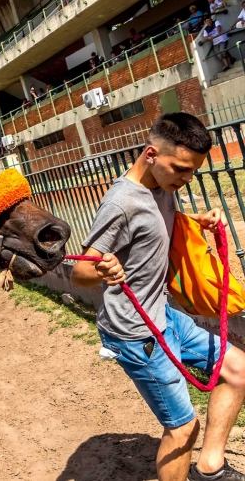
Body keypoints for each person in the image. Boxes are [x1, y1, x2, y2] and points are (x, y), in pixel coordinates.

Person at [71, 113, 245, 481]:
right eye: (180, 169)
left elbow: (156, 225)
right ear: (150, 153)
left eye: (192, 172)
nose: (186, 179)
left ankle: (210, 467)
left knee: (238, 370)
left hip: (166, 316)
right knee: (183, 428)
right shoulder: (121, 202)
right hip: (136, 333)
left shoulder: (162, 189)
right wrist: (101, 269)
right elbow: (79, 271)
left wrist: (200, 219)